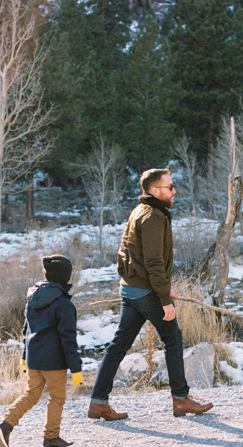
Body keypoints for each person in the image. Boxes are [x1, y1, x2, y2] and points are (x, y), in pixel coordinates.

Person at [87, 168, 213, 421]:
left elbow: (134, 256)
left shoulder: (140, 211)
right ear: (155, 191)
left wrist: (165, 288)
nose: (174, 191)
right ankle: (181, 399)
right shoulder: (153, 216)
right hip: (144, 292)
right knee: (173, 339)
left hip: (131, 288)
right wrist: (164, 299)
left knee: (118, 346)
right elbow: (153, 262)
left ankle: (98, 403)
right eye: (170, 187)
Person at [0, 255, 83, 447]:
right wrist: (76, 369)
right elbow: (68, 340)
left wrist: (25, 357)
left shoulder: (32, 298)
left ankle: (5, 425)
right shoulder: (64, 305)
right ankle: (51, 438)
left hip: (34, 358)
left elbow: (26, 330)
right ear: (65, 277)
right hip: (54, 362)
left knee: (32, 394)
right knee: (57, 398)